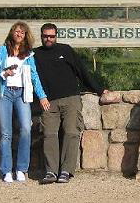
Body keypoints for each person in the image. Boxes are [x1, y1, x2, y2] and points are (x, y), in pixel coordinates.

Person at [34, 23, 108, 184]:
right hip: (48, 101)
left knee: (71, 132)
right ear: (41, 36)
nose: (48, 39)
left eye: (51, 36)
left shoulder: (66, 50)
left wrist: (100, 90)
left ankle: (66, 171)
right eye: (45, 36)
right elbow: (30, 77)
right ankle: (51, 172)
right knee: (49, 134)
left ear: (56, 36)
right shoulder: (35, 54)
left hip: (71, 99)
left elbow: (82, 71)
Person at [0, 21, 50, 183]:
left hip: (22, 94)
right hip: (5, 94)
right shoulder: (2, 50)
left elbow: (34, 77)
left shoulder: (28, 54)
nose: (19, 34)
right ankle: (6, 170)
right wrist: (3, 73)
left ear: (25, 36)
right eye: (16, 31)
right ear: (11, 33)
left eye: (22, 32)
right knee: (6, 133)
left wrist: (42, 96)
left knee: (25, 129)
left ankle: (22, 169)